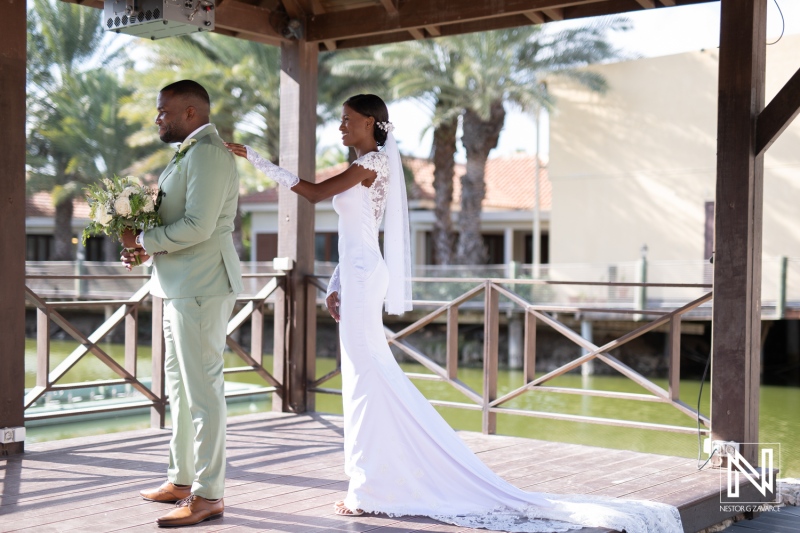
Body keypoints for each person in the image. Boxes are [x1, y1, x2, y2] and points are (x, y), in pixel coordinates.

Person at [225, 94, 683, 533]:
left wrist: (257, 159)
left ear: (370, 122)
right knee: (364, 376)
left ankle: (371, 485)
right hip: (359, 274)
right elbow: (359, 233)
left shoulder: (372, 164)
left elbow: (312, 193)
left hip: (367, 277)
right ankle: (373, 480)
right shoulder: (361, 166)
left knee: (368, 378)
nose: (340, 126)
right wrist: (336, 284)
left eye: (347, 119)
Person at [121, 79, 242, 528]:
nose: (157, 119)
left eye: (163, 111)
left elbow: (198, 225)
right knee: (181, 387)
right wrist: (140, 243)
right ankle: (182, 479)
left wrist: (147, 240)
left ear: (191, 113)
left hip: (202, 285)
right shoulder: (188, 153)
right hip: (179, 284)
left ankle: (210, 495)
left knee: (204, 391)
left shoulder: (209, 154)